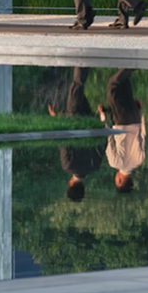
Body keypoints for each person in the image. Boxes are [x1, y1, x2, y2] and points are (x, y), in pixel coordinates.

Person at [48, 67, 104, 202]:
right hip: (74, 119)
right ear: (70, 184)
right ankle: (82, 59)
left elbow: (102, 143)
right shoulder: (68, 165)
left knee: (79, 88)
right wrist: (57, 118)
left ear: (83, 187)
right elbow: (64, 139)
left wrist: (100, 118)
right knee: (76, 86)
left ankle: (86, 63)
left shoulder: (94, 166)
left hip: (90, 121)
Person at [97, 68, 145, 193]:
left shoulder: (140, 160)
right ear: (119, 180)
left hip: (135, 119)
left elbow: (143, 134)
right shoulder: (115, 163)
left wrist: (140, 112)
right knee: (112, 86)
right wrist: (103, 116)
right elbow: (108, 137)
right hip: (121, 120)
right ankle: (133, 64)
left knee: (124, 83)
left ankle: (127, 61)